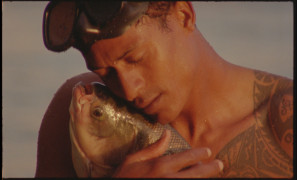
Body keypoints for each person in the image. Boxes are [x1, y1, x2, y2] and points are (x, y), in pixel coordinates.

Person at [35, 1, 293, 178]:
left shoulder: (285, 122)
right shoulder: (83, 111)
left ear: (184, 15)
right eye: (105, 72)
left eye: (135, 58)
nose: (128, 89)